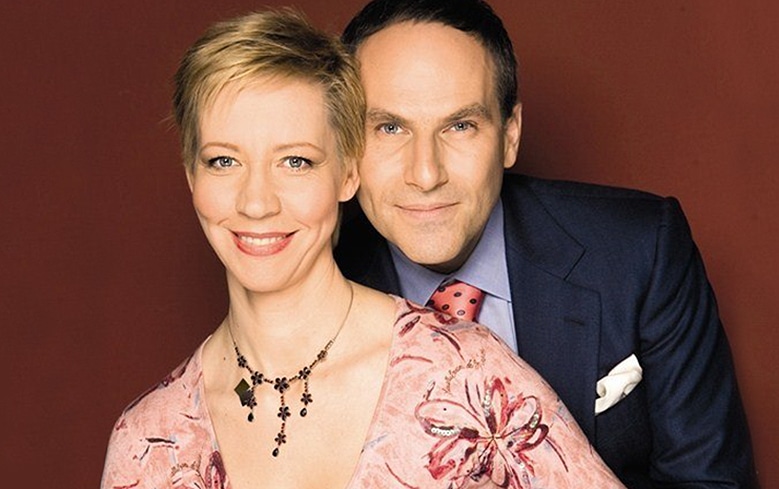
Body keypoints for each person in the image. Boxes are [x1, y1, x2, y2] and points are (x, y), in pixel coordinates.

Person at [100, 8, 625, 489]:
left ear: (349, 172)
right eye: (223, 161)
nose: (256, 203)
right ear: (191, 175)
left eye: (296, 161)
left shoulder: (466, 375)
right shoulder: (148, 438)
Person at [334, 0, 757, 486]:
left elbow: (709, 479)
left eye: (460, 126)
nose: (426, 174)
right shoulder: (314, 284)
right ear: (346, 142)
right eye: (389, 128)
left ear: (510, 135)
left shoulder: (642, 252)